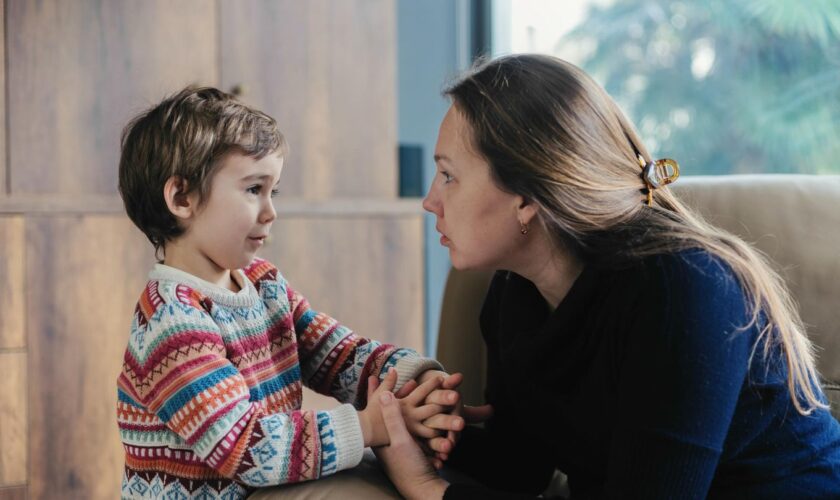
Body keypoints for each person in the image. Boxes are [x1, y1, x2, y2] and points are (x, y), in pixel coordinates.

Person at [373, 54, 840, 499]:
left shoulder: (683, 289)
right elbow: (519, 467)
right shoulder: (515, 294)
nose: (430, 201)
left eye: (448, 176)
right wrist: (421, 431)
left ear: (527, 197)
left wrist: (431, 491)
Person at [115, 87, 463, 499]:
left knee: (396, 469)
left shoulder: (263, 285)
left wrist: (419, 381)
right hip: (243, 486)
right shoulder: (171, 323)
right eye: (253, 189)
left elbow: (339, 355)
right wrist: (371, 425)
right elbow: (247, 447)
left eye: (272, 191)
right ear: (182, 197)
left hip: (264, 489)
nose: (271, 211)